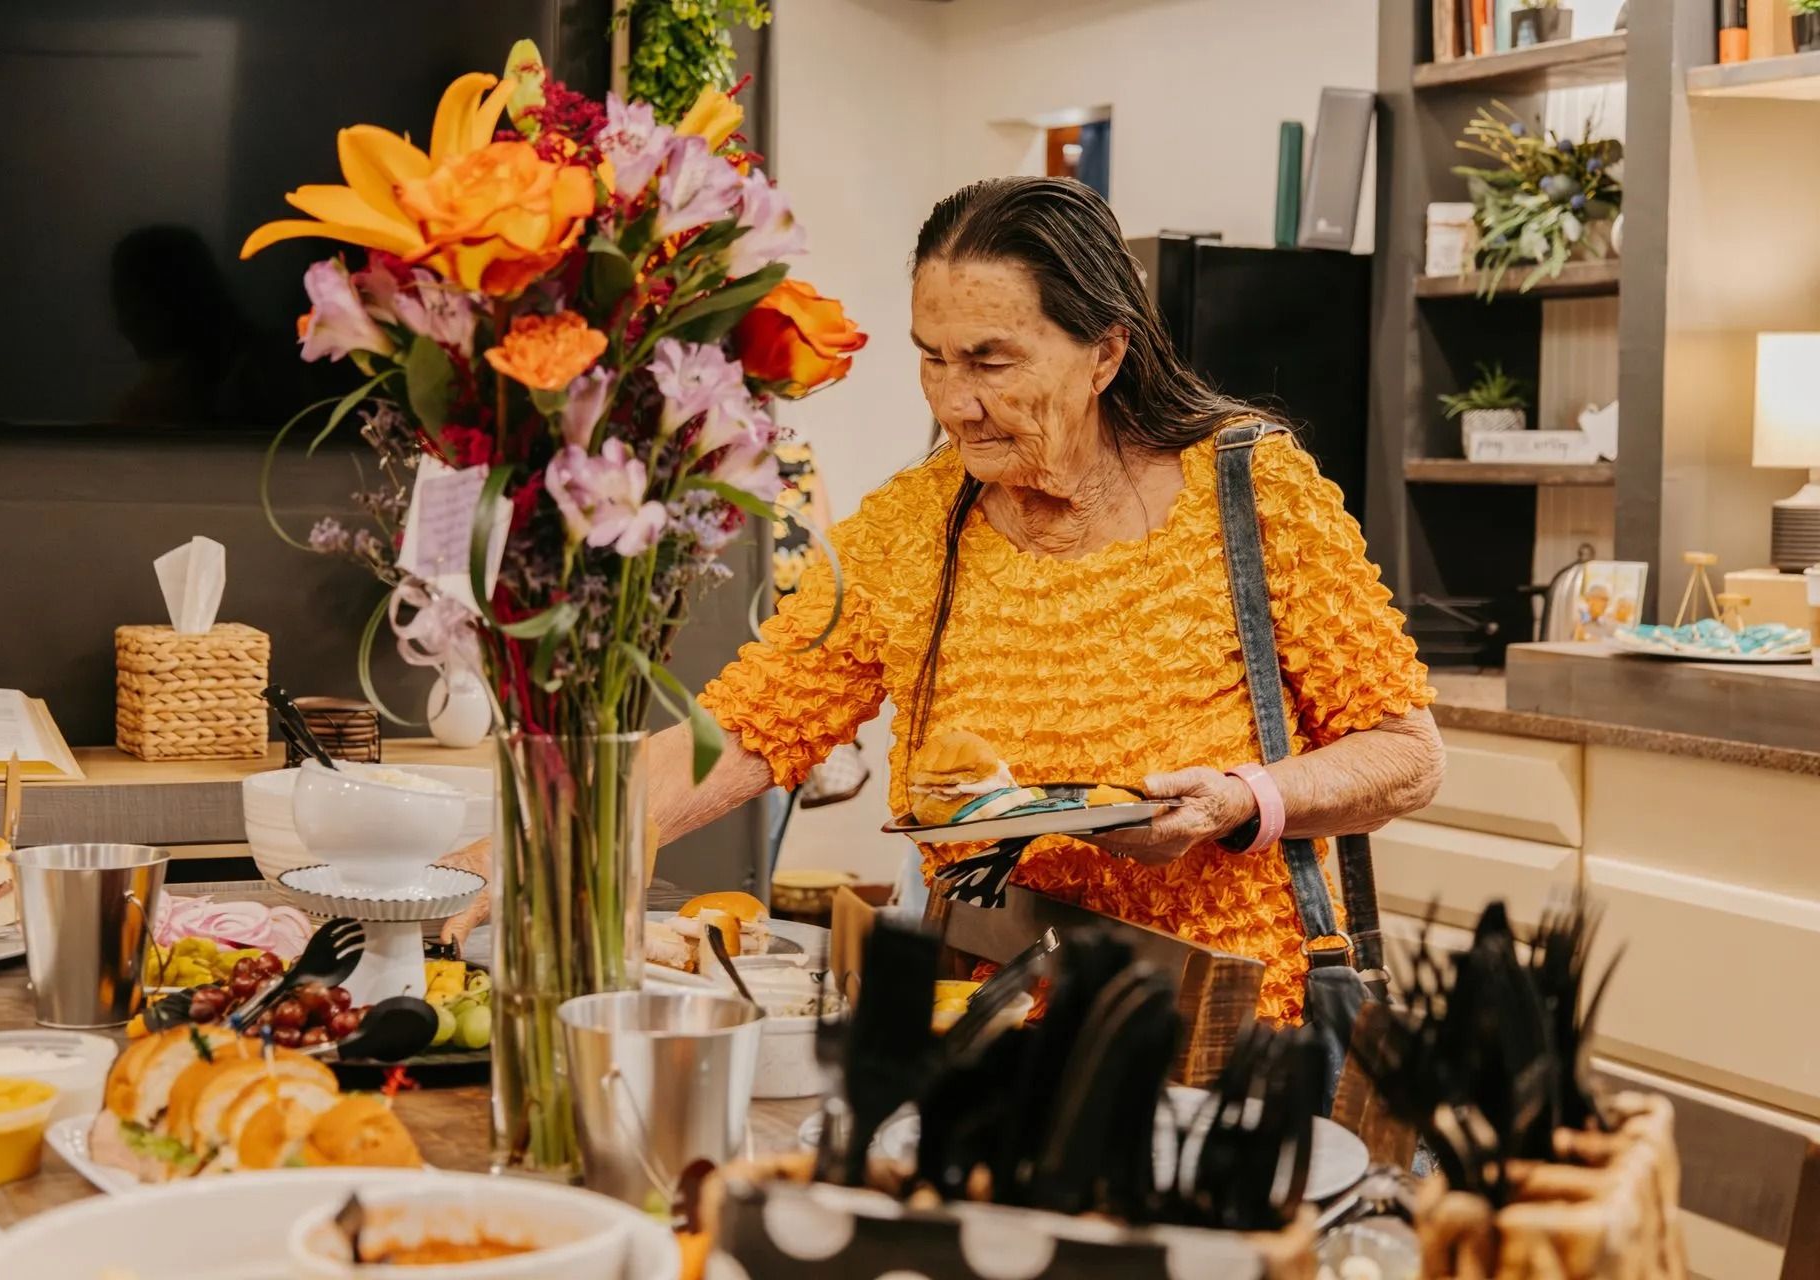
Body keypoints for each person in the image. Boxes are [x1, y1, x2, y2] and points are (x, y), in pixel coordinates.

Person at [444, 176, 1444, 1021]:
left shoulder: (1251, 491)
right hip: (987, 1022)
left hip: (1216, 1031)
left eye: (992, 361)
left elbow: (1405, 755)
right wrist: (546, 840)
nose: (954, 400)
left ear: (1106, 350)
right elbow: (747, 727)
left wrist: (1244, 797)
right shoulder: (914, 528)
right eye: (933, 355)